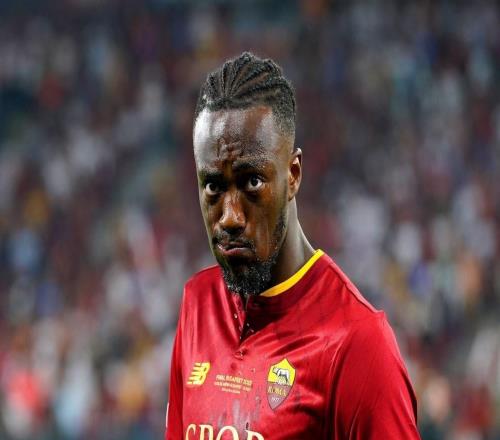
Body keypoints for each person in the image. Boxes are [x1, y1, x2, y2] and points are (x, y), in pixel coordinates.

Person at [165, 52, 421, 440]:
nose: (230, 216)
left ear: (294, 175)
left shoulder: (357, 343)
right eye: (214, 186)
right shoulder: (198, 304)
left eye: (252, 182)